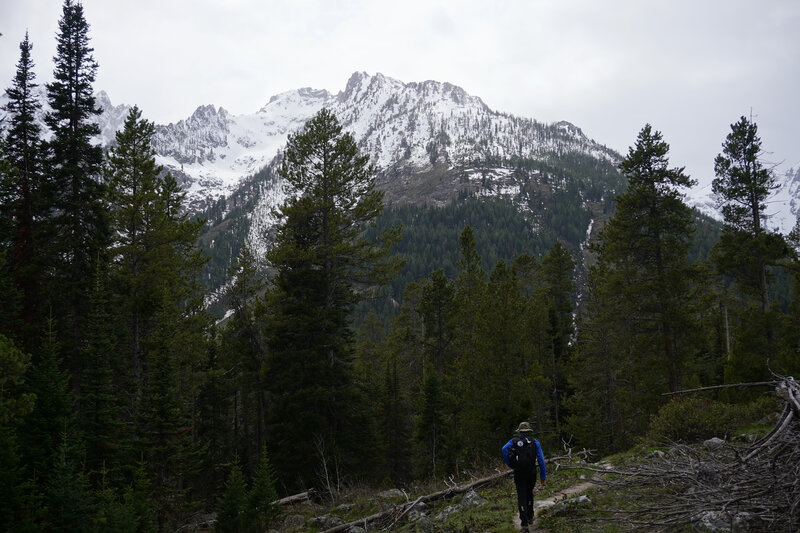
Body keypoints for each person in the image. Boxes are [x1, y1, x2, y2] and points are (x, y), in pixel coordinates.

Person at [502, 421, 546, 531]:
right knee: (529, 493)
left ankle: (524, 523)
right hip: (531, 472)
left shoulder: (513, 441)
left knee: (521, 496)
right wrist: (543, 477)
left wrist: (510, 464)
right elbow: (541, 460)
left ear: (519, 431)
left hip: (519, 472)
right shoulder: (535, 442)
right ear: (529, 431)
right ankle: (530, 516)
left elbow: (504, 449)